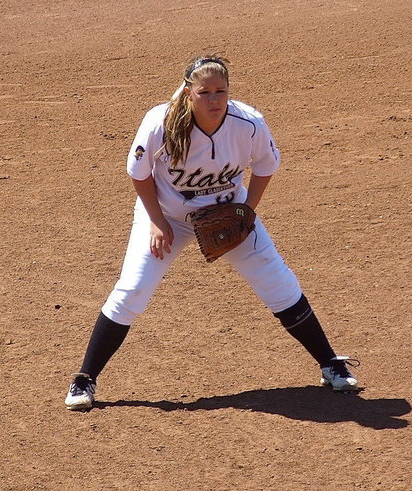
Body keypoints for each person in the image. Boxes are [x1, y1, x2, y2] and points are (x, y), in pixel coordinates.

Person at [65, 55, 359, 410]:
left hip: (228, 214)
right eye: (205, 92)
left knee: (277, 281)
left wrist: (247, 211)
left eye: (221, 91)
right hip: (167, 216)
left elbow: (265, 166)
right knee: (133, 288)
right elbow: (139, 174)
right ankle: (85, 379)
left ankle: (330, 364)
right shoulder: (160, 122)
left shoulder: (248, 123)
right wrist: (157, 222)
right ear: (189, 93)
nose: (215, 99)